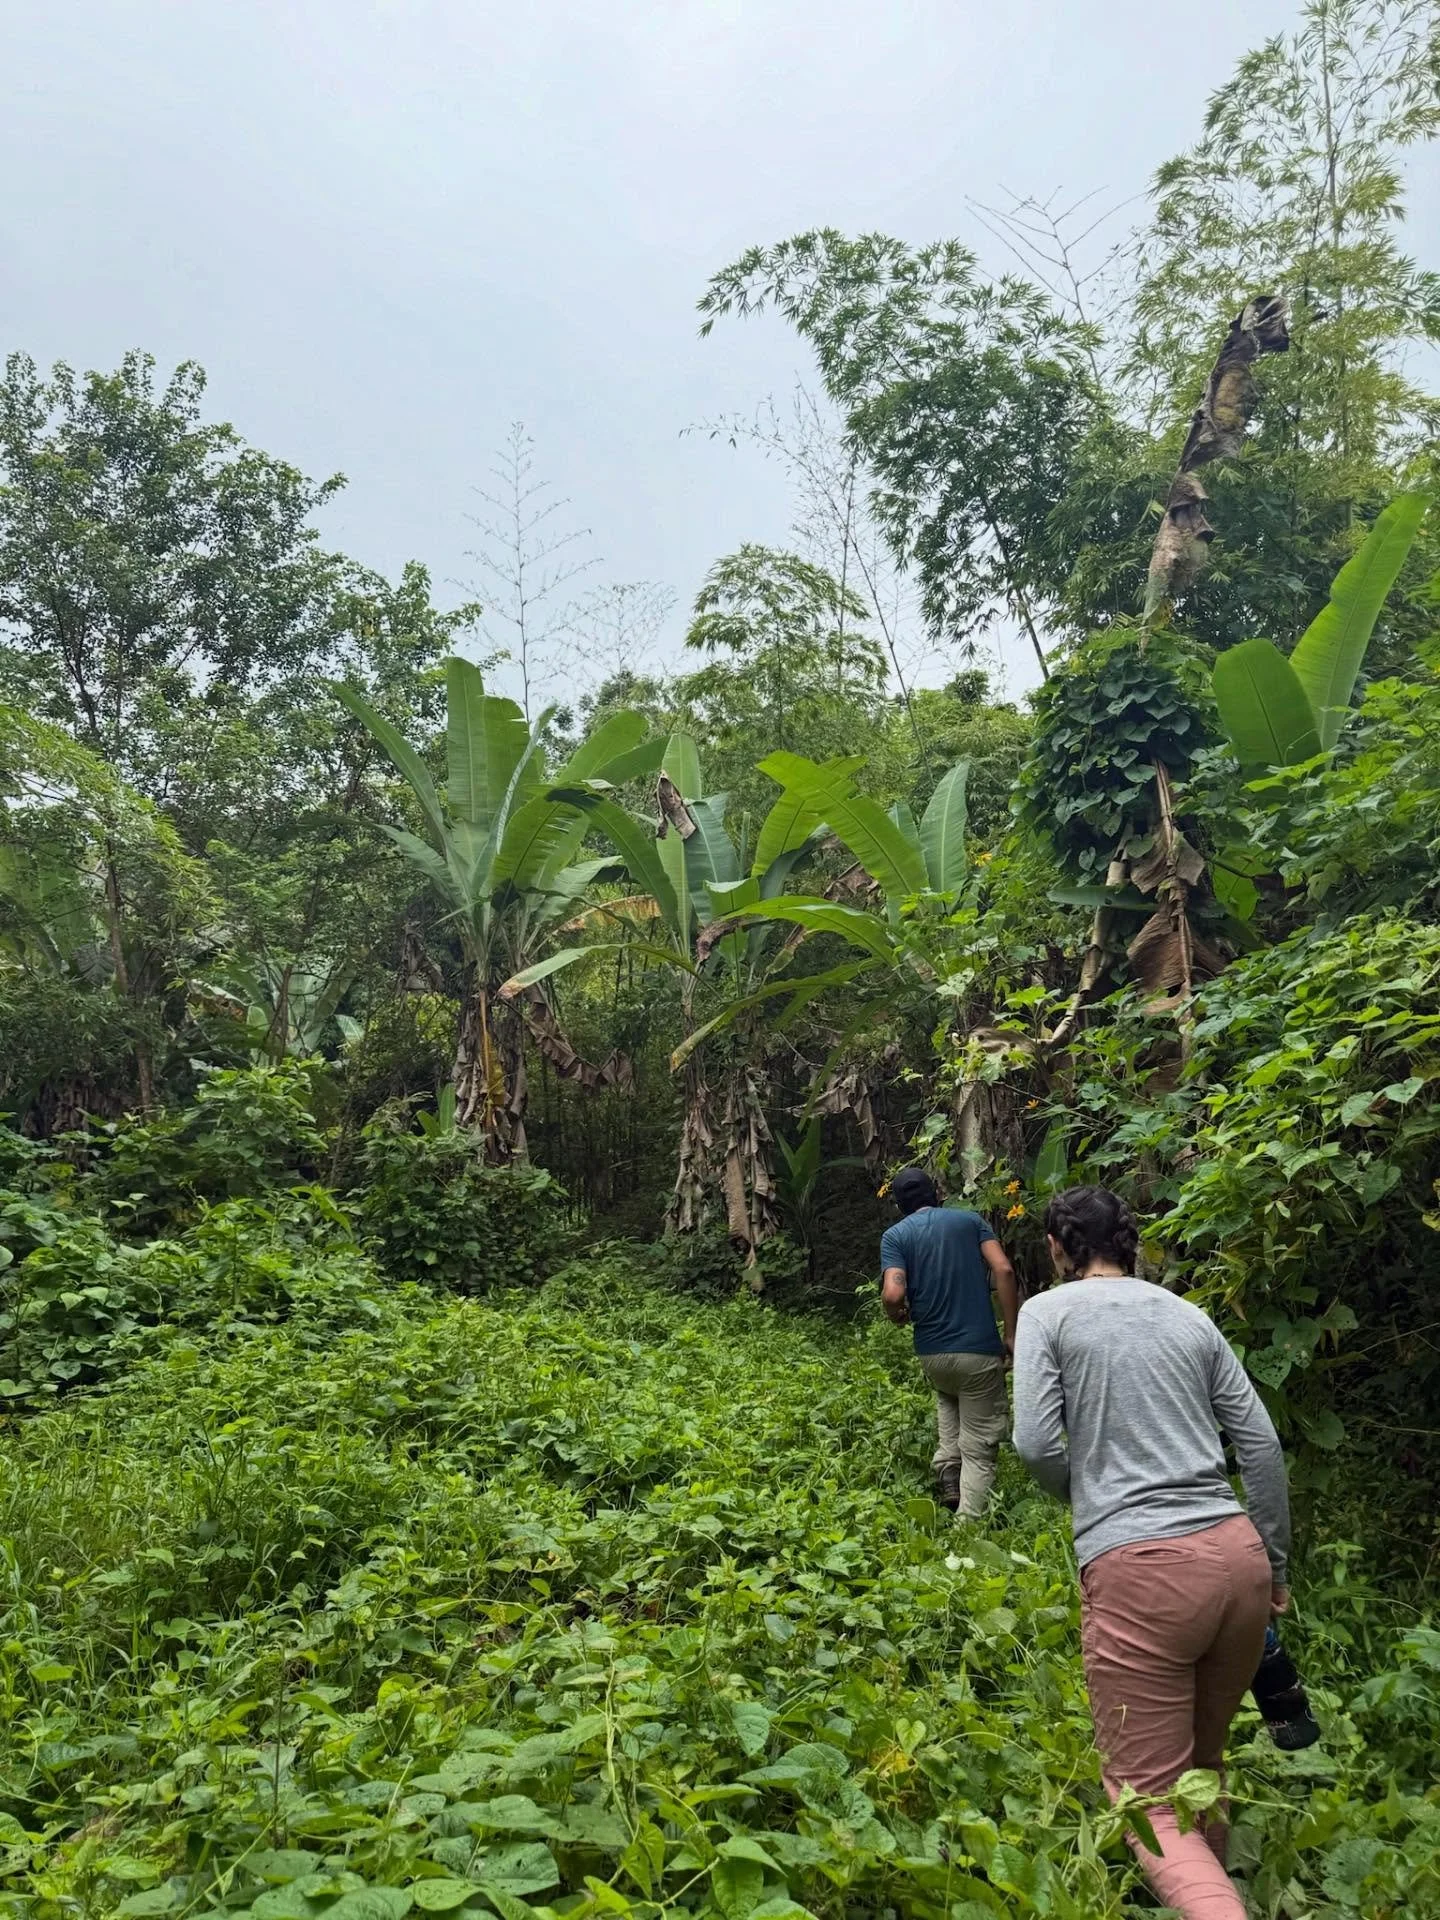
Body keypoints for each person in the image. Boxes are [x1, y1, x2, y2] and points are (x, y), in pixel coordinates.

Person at [1012, 1186, 1291, 1920]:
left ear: (1058, 1248)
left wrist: (1085, 1493)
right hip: (1238, 1562)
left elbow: (1036, 1441)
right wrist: (1277, 1567)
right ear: (1130, 1243)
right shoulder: (1189, 1316)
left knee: (1150, 1805)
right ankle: (1209, 1883)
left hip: (1141, 1567)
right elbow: (1259, 1444)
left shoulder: (1046, 1312)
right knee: (1202, 1764)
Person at [880, 1167, 1019, 1517]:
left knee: (949, 1394)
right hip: (978, 1349)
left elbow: (893, 1292)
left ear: (899, 1204)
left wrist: (895, 1314)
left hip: (933, 1354)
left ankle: (948, 1469)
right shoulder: (971, 1222)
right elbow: (1003, 1270)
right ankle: (968, 1526)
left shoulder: (896, 1236)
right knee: (979, 1445)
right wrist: (1011, 1333)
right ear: (937, 1192)